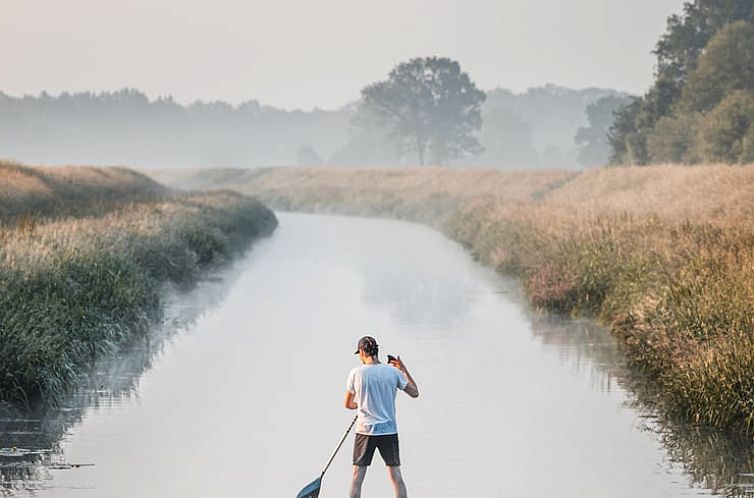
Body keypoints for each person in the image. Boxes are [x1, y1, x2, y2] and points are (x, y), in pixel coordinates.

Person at [344, 336, 419, 498]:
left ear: (363, 352)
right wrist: (403, 369)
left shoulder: (356, 373)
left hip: (365, 431)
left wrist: (362, 404)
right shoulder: (393, 372)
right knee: (395, 476)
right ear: (376, 351)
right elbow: (415, 392)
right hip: (388, 431)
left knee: (357, 477)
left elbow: (348, 404)